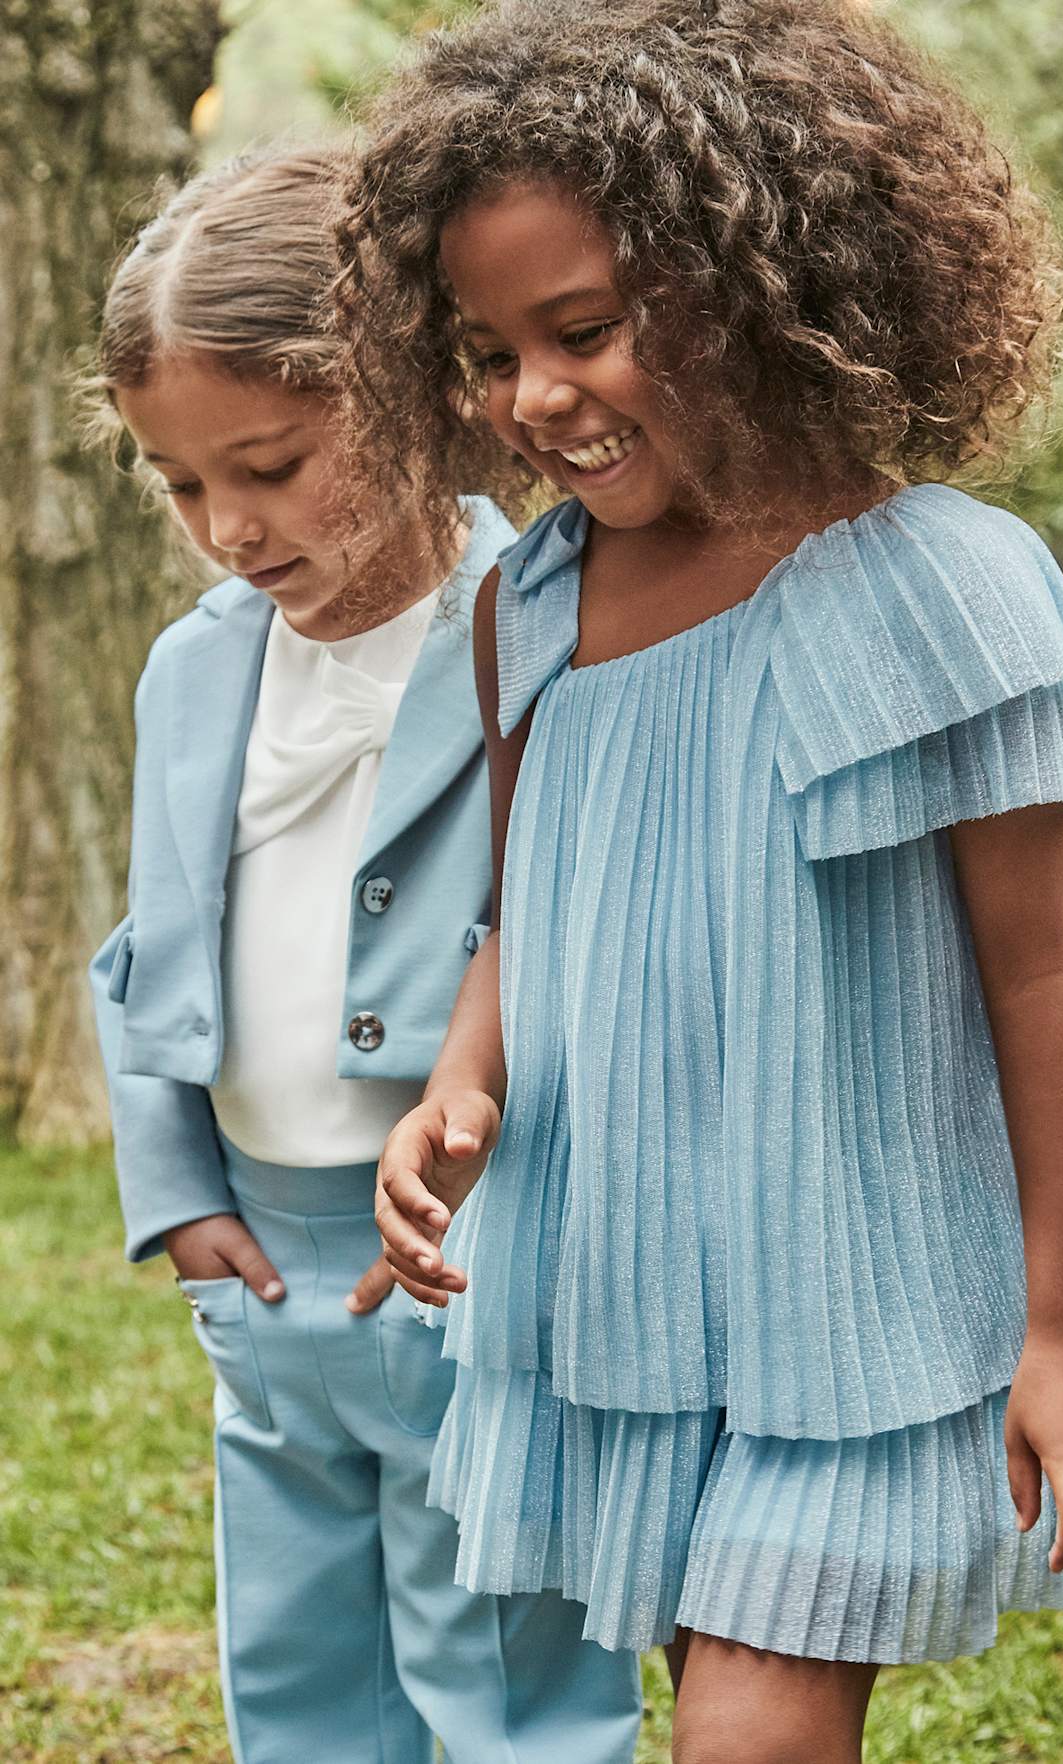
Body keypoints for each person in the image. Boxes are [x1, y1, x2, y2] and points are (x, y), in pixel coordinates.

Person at [338, 3, 1063, 1759]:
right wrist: (461, 1083)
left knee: (750, 1716)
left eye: (586, 330)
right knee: (709, 1684)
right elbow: (527, 899)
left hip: (856, 1303)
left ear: (763, 279)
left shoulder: (936, 587)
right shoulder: (526, 605)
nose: (533, 398)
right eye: (487, 353)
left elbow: (1043, 974)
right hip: (622, 1284)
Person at [84, 145, 642, 1764]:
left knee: (504, 1674)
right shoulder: (193, 671)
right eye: (182, 485)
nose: (226, 528)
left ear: (402, 391)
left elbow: (577, 933)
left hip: (476, 1258)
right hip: (262, 1259)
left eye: (268, 466)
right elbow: (149, 944)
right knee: (299, 1664)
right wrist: (178, 1197)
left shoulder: (548, 625)